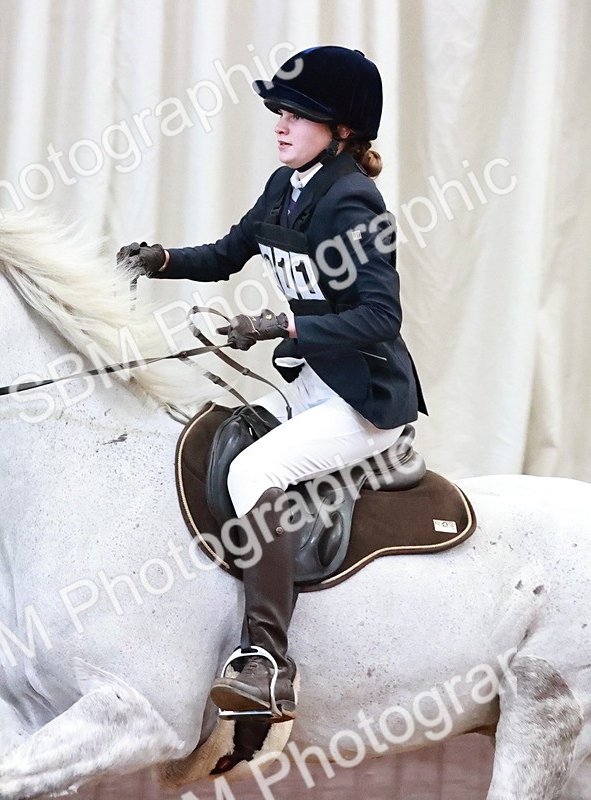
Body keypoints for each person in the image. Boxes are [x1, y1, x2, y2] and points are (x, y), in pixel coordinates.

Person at [118, 46, 426, 722]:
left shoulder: (352, 202)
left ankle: (267, 663)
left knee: (255, 473)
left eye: (298, 116)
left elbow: (381, 316)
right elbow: (229, 253)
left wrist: (283, 323)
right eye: (280, 113)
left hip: (364, 400)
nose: (281, 126)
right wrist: (163, 258)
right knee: (211, 438)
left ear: (341, 130)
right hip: (311, 385)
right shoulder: (287, 186)